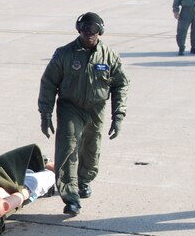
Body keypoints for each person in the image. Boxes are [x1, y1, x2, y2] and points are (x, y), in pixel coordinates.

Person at [37, 12, 130, 216]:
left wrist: (118, 116)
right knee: (67, 148)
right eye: (84, 30)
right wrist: (45, 113)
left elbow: (121, 85)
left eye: (93, 30)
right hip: (70, 107)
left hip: (96, 108)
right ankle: (71, 197)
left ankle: (84, 180)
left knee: (91, 147)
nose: (88, 34)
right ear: (78, 30)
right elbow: (49, 83)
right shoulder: (64, 54)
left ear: (100, 32)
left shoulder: (109, 56)